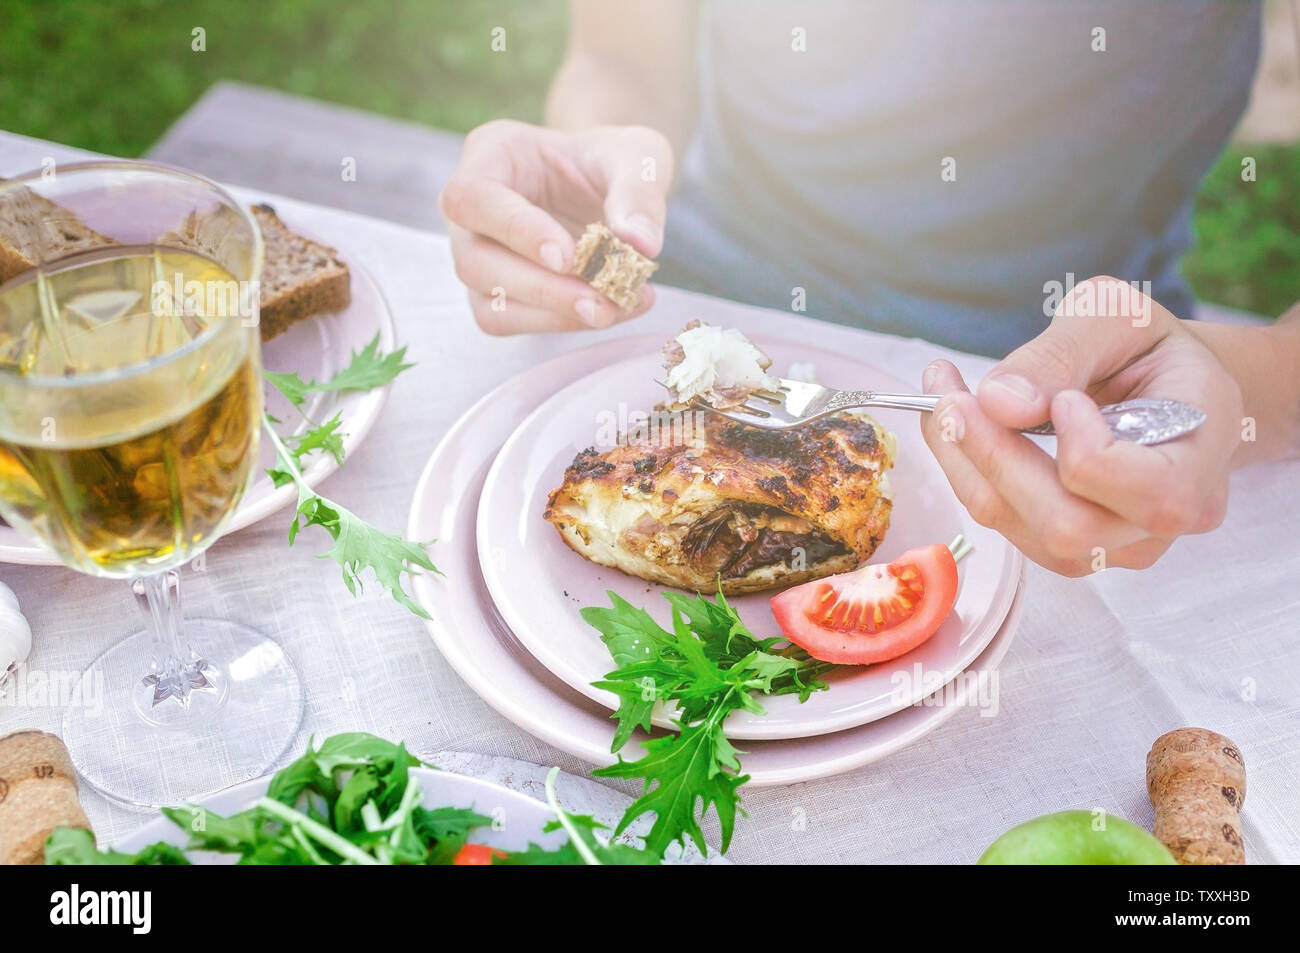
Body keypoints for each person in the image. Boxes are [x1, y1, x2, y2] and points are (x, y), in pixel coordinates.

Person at [440, 0, 1299, 576]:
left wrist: (1261, 385)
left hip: (1099, 383)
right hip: (704, 302)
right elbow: (620, 50)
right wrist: (598, 157)